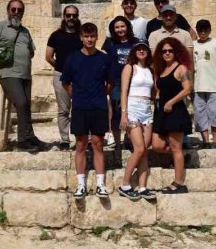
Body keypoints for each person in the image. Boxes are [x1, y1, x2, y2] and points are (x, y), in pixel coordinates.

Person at [0, 0, 43, 153]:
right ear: (8, 10)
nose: (16, 12)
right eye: (13, 9)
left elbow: (32, 51)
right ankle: (22, 141)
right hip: (8, 73)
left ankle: (30, 136)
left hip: (25, 74)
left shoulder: (25, 31)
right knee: (21, 103)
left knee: (27, 105)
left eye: (19, 10)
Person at [62, 22, 113, 199]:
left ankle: (100, 185)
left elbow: (110, 83)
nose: (89, 39)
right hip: (80, 107)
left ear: (97, 37)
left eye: (92, 36)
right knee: (81, 144)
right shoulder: (72, 58)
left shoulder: (104, 58)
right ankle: (81, 185)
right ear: (81, 37)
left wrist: (98, 95)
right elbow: (65, 82)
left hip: (98, 106)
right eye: (86, 36)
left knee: (98, 144)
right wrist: (77, 96)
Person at [150, 37, 193, 194]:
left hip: (176, 112)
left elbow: (187, 89)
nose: (167, 53)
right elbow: (160, 88)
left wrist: (171, 102)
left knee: (175, 147)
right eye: (164, 51)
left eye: (170, 50)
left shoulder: (181, 68)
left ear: (176, 52)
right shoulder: (161, 70)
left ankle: (179, 183)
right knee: (157, 145)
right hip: (162, 112)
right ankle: (181, 156)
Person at [117, 40, 156, 201]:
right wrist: (124, 114)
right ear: (134, 52)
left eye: (144, 49)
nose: (141, 51)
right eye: (138, 49)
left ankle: (142, 187)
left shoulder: (149, 70)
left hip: (147, 108)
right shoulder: (129, 68)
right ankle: (125, 184)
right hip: (133, 107)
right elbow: (124, 91)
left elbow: (153, 91)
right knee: (139, 148)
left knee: (145, 149)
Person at [45, 5, 82, 148]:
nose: (71, 18)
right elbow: (48, 56)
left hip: (80, 76)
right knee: (63, 109)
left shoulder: (81, 35)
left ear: (77, 17)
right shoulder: (56, 35)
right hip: (60, 75)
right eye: (68, 15)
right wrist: (62, 67)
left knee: (82, 108)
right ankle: (65, 140)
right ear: (64, 17)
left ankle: (82, 138)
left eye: (74, 15)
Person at [101, 16, 137, 150]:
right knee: (116, 110)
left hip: (133, 81)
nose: (120, 29)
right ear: (113, 29)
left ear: (127, 27)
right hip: (115, 81)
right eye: (117, 27)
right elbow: (102, 60)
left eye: (122, 26)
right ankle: (117, 141)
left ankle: (129, 139)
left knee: (132, 110)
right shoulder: (109, 43)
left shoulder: (135, 42)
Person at [192, 19, 216, 147]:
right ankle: (205, 142)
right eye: (200, 29)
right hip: (197, 86)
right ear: (197, 30)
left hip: (213, 85)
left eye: (205, 29)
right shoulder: (193, 44)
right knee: (200, 114)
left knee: (215, 113)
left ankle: (215, 141)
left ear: (210, 30)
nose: (203, 32)